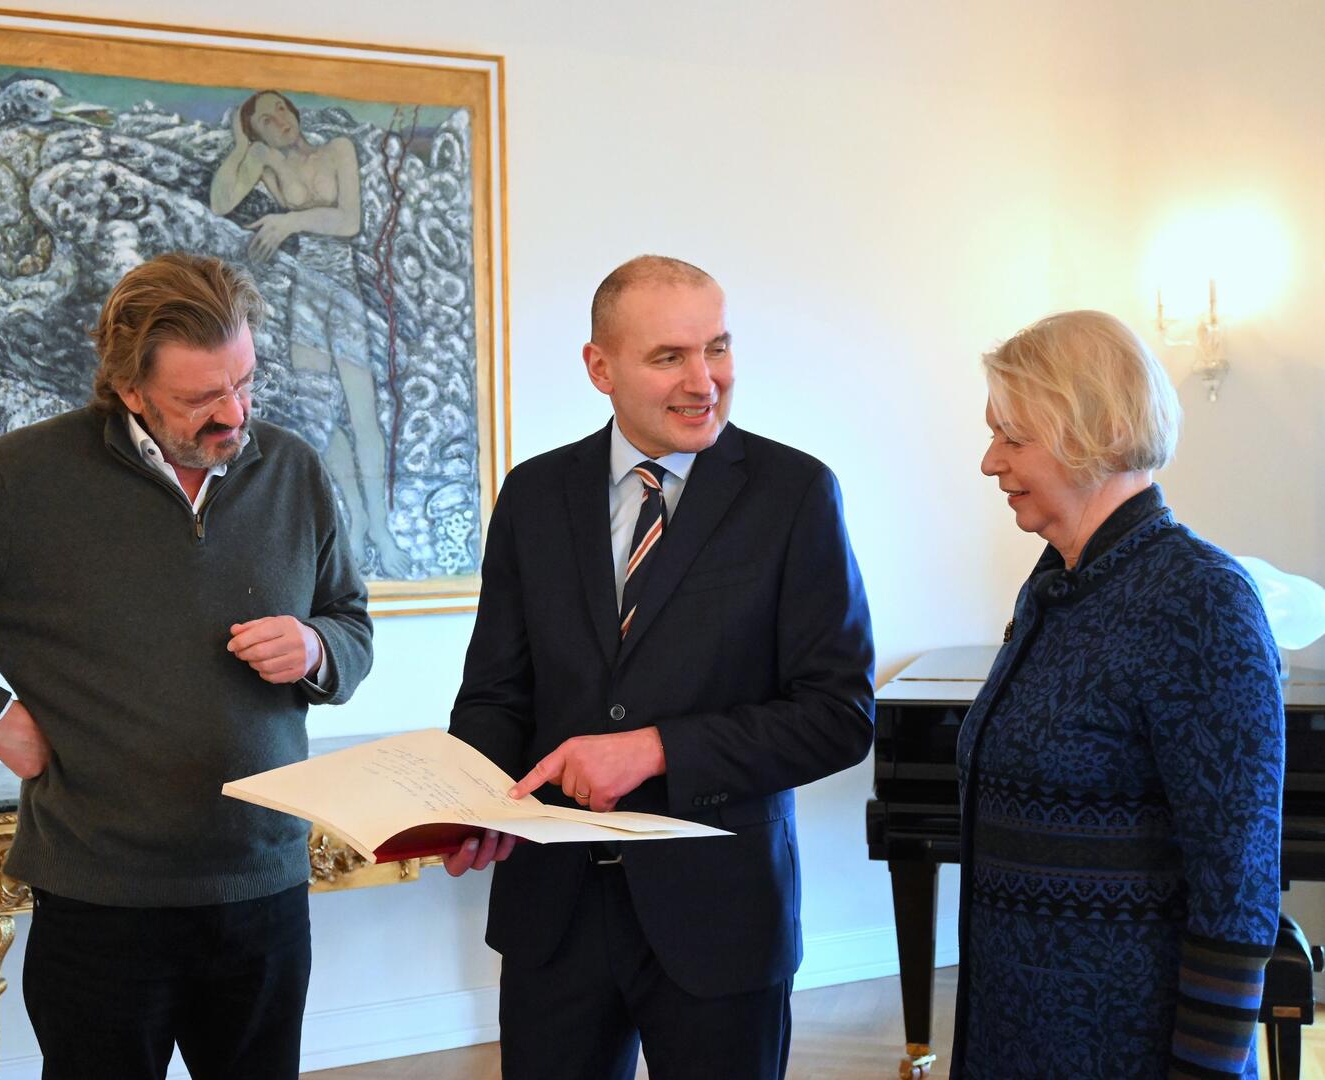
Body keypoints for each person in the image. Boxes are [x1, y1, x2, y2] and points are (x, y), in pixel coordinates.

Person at [0, 254, 373, 1080]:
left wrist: (315, 649)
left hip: (264, 890)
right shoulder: (22, 481)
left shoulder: (292, 468)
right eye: (200, 398)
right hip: (104, 905)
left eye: (244, 381)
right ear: (130, 389)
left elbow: (349, 624)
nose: (234, 413)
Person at [445, 255, 876, 1080]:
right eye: (669, 356)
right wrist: (466, 799)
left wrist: (656, 750)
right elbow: (497, 694)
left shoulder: (795, 494)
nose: (704, 381)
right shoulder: (532, 495)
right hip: (552, 915)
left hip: (720, 916)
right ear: (599, 367)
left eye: (717, 347)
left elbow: (838, 716)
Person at [954, 310, 1283, 1078]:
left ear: (1094, 433)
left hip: (1122, 1045)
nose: (989, 462)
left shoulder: (1200, 599)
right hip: (1016, 1031)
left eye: (1012, 438)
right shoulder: (1054, 587)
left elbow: (1237, 882)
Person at [209, 89, 413, 578]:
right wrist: (242, 147)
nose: (278, 119)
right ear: (256, 132)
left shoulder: (337, 149)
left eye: (281, 108)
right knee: (320, 416)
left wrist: (288, 221)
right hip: (306, 294)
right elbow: (219, 202)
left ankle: (381, 529)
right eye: (264, 119)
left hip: (344, 292)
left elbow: (349, 220)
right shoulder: (268, 163)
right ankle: (356, 519)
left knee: (363, 413)